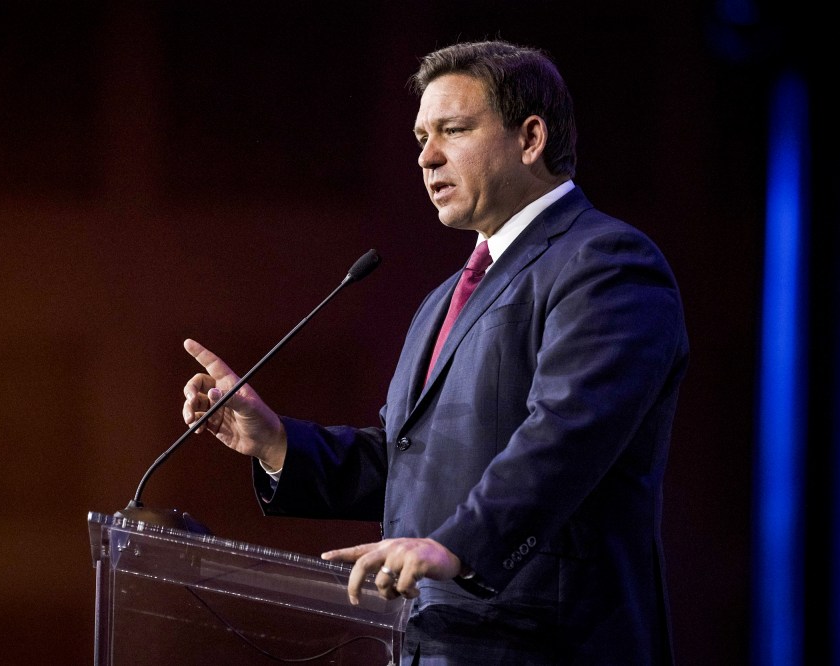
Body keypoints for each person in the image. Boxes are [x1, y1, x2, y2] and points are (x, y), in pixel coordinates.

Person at [182, 39, 688, 665]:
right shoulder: (447, 297)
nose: (426, 157)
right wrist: (276, 442)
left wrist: (457, 546)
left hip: (549, 644)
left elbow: (566, 436)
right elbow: (411, 460)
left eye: (453, 129)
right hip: (437, 643)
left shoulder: (606, 264)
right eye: (421, 136)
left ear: (530, 139)